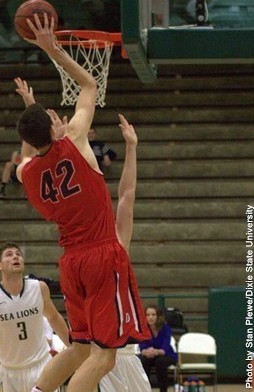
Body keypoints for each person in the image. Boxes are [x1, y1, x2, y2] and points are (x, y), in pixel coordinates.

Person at [15, 13, 150, 392]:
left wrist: (31, 107)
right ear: (54, 126)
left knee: (77, 349)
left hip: (70, 261)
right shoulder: (75, 139)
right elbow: (89, 84)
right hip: (101, 255)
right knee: (103, 356)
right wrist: (51, 48)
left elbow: (33, 144)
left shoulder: (26, 172)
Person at [0, 242, 70, 392]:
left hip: (42, 366)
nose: (15, 257)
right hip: (10, 372)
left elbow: (54, 318)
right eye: (9, 255)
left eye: (18, 254)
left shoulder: (39, 287)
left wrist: (74, 348)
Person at [99, 115, 150, 392]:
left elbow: (127, 194)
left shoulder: (117, 241)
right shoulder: (79, 244)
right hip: (97, 352)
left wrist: (131, 147)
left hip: (126, 350)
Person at [139, 305, 178, 392]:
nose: (150, 317)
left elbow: (165, 348)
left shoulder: (165, 328)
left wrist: (155, 351)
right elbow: (142, 346)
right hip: (150, 355)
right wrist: (145, 352)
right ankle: (144, 389)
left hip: (167, 355)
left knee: (160, 362)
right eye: (148, 315)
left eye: (153, 315)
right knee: (144, 361)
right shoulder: (143, 329)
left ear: (158, 316)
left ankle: (163, 390)